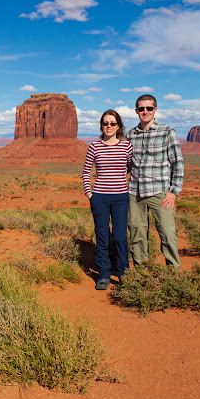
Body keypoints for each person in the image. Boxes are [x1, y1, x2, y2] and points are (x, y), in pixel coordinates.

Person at [126, 94, 184, 270]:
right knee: (137, 234)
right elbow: (126, 165)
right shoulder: (130, 135)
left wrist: (173, 192)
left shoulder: (167, 131)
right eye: (141, 108)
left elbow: (177, 163)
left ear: (155, 110)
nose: (145, 111)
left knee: (167, 233)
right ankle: (142, 273)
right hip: (135, 193)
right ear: (136, 111)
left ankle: (172, 274)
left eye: (149, 108)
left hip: (160, 192)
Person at [82, 110, 133, 290]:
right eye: (105, 123)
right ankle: (104, 275)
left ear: (118, 126)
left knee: (120, 237)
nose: (109, 126)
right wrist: (90, 195)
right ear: (101, 126)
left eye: (112, 123)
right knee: (102, 236)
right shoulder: (94, 147)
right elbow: (86, 172)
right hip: (100, 198)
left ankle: (123, 273)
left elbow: (129, 167)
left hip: (121, 198)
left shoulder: (126, 146)